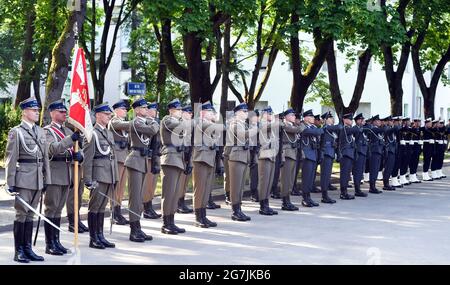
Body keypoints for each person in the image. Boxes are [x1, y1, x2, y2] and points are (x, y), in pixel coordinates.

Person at [5, 97, 50, 263]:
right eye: (34, 110)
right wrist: (10, 183)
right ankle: (19, 251)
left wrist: (47, 178)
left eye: (38, 110)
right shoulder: (16, 132)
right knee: (21, 214)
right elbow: (10, 158)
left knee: (31, 215)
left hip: (38, 178)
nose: (37, 112)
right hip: (23, 178)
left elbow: (45, 157)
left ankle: (28, 248)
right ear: (24, 111)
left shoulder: (40, 131)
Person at [43, 99, 83, 255]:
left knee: (58, 210)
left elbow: (77, 149)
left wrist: (80, 156)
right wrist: (71, 139)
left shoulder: (67, 131)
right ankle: (49, 243)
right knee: (51, 209)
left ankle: (56, 241)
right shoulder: (47, 131)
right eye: (61, 111)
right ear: (52, 113)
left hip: (67, 173)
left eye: (65, 111)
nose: (64, 113)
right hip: (54, 173)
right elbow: (53, 149)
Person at [83, 103, 119, 249]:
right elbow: (88, 158)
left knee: (102, 207)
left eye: (110, 114)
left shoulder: (108, 132)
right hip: (98, 174)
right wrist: (88, 179)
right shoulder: (92, 133)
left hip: (109, 173)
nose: (109, 116)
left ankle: (100, 235)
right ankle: (93, 238)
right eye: (106, 114)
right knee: (95, 206)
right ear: (98, 115)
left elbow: (113, 156)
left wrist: (115, 176)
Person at [125, 98, 159, 242]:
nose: (147, 110)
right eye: (144, 108)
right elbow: (152, 130)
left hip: (142, 160)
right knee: (134, 198)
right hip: (135, 161)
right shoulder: (136, 122)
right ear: (137, 110)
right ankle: (133, 230)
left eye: (147, 108)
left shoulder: (144, 122)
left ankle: (138, 227)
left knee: (139, 197)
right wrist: (153, 120)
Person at [160, 99, 192, 234]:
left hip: (178, 158)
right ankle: (165, 223)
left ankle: (171, 220)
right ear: (171, 110)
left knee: (174, 194)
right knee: (168, 193)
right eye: (178, 110)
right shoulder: (167, 120)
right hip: (170, 158)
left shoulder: (179, 122)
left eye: (181, 110)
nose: (181, 112)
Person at [192, 101, 222, 227]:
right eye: (209, 111)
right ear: (202, 112)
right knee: (199, 189)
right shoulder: (199, 121)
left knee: (206, 188)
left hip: (209, 157)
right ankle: (198, 216)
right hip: (201, 158)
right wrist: (216, 120)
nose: (212, 114)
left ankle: (203, 214)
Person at [226, 102, 257, 221]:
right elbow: (244, 135)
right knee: (235, 186)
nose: (246, 113)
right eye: (244, 111)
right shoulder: (235, 124)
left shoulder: (242, 124)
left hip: (243, 156)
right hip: (237, 156)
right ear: (238, 113)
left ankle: (238, 209)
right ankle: (235, 211)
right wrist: (254, 127)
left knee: (240, 186)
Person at [108, 99, 130, 225]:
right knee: (115, 187)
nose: (125, 111)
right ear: (116, 111)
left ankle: (118, 210)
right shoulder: (114, 121)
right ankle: (113, 212)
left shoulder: (122, 122)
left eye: (125, 109)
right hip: (117, 157)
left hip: (124, 157)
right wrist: (137, 122)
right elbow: (126, 126)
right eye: (123, 109)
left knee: (121, 188)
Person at [257, 106, 279, 215]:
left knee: (269, 181)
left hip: (272, 155)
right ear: (264, 114)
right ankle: (262, 205)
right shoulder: (262, 123)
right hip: (264, 155)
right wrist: (277, 120)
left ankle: (266, 203)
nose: (271, 115)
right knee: (264, 182)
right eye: (269, 113)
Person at [142, 102, 163, 219]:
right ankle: (146, 208)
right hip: (149, 158)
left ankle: (149, 205)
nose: (155, 112)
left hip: (156, 156)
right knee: (148, 184)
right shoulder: (147, 122)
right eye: (152, 110)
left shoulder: (155, 122)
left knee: (153, 184)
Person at [300, 109, 324, 207]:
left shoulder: (313, 127)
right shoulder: (303, 126)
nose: (313, 119)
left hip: (313, 154)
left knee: (310, 178)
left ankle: (309, 197)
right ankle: (304, 198)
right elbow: (317, 132)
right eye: (311, 117)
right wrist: (320, 129)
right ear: (306, 118)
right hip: (306, 155)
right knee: (306, 178)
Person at [319, 111, 341, 203]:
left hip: (330, 153)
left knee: (327, 175)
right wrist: (341, 119)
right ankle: (324, 196)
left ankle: (325, 194)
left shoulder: (330, 129)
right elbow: (339, 127)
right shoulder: (326, 128)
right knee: (325, 175)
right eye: (330, 118)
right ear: (325, 120)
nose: (332, 119)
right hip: (326, 154)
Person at [338, 113, 361, 200]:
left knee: (347, 174)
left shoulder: (349, 129)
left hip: (349, 154)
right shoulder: (344, 129)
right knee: (344, 174)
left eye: (352, 119)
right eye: (350, 119)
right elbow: (356, 130)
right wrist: (359, 123)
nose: (351, 121)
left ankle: (345, 191)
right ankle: (343, 193)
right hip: (345, 154)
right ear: (344, 120)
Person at [177, 105, 195, 213]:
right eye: (188, 112)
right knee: (180, 181)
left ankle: (182, 201)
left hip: (187, 155)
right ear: (182, 113)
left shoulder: (189, 126)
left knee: (185, 181)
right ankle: (178, 203)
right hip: (179, 155)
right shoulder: (179, 124)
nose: (190, 114)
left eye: (191, 112)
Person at [352, 113, 369, 197]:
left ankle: (358, 188)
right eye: (361, 120)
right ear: (357, 121)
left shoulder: (362, 128)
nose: (363, 121)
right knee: (357, 172)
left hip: (363, 152)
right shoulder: (355, 129)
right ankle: (357, 189)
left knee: (360, 171)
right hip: (358, 153)